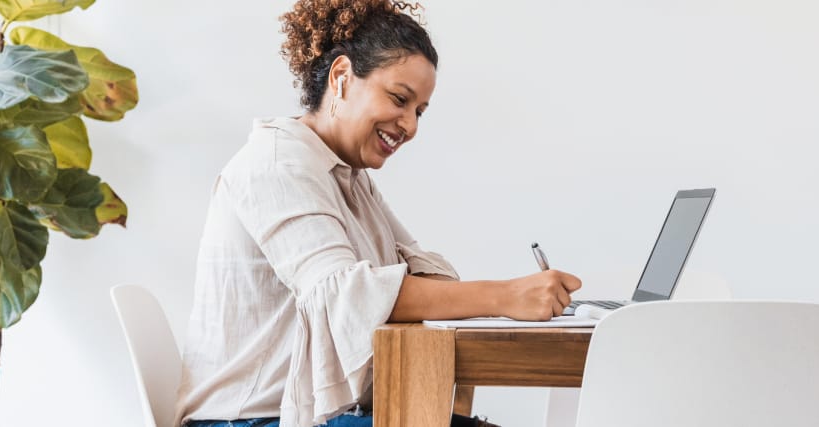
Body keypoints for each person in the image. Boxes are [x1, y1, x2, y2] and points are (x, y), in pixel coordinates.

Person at [175, 1, 584, 426]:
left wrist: (483, 295)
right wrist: (507, 296)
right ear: (342, 78)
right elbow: (346, 295)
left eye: (419, 111)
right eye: (399, 99)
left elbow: (422, 271)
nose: (409, 126)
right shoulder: (277, 164)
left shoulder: (346, 174)